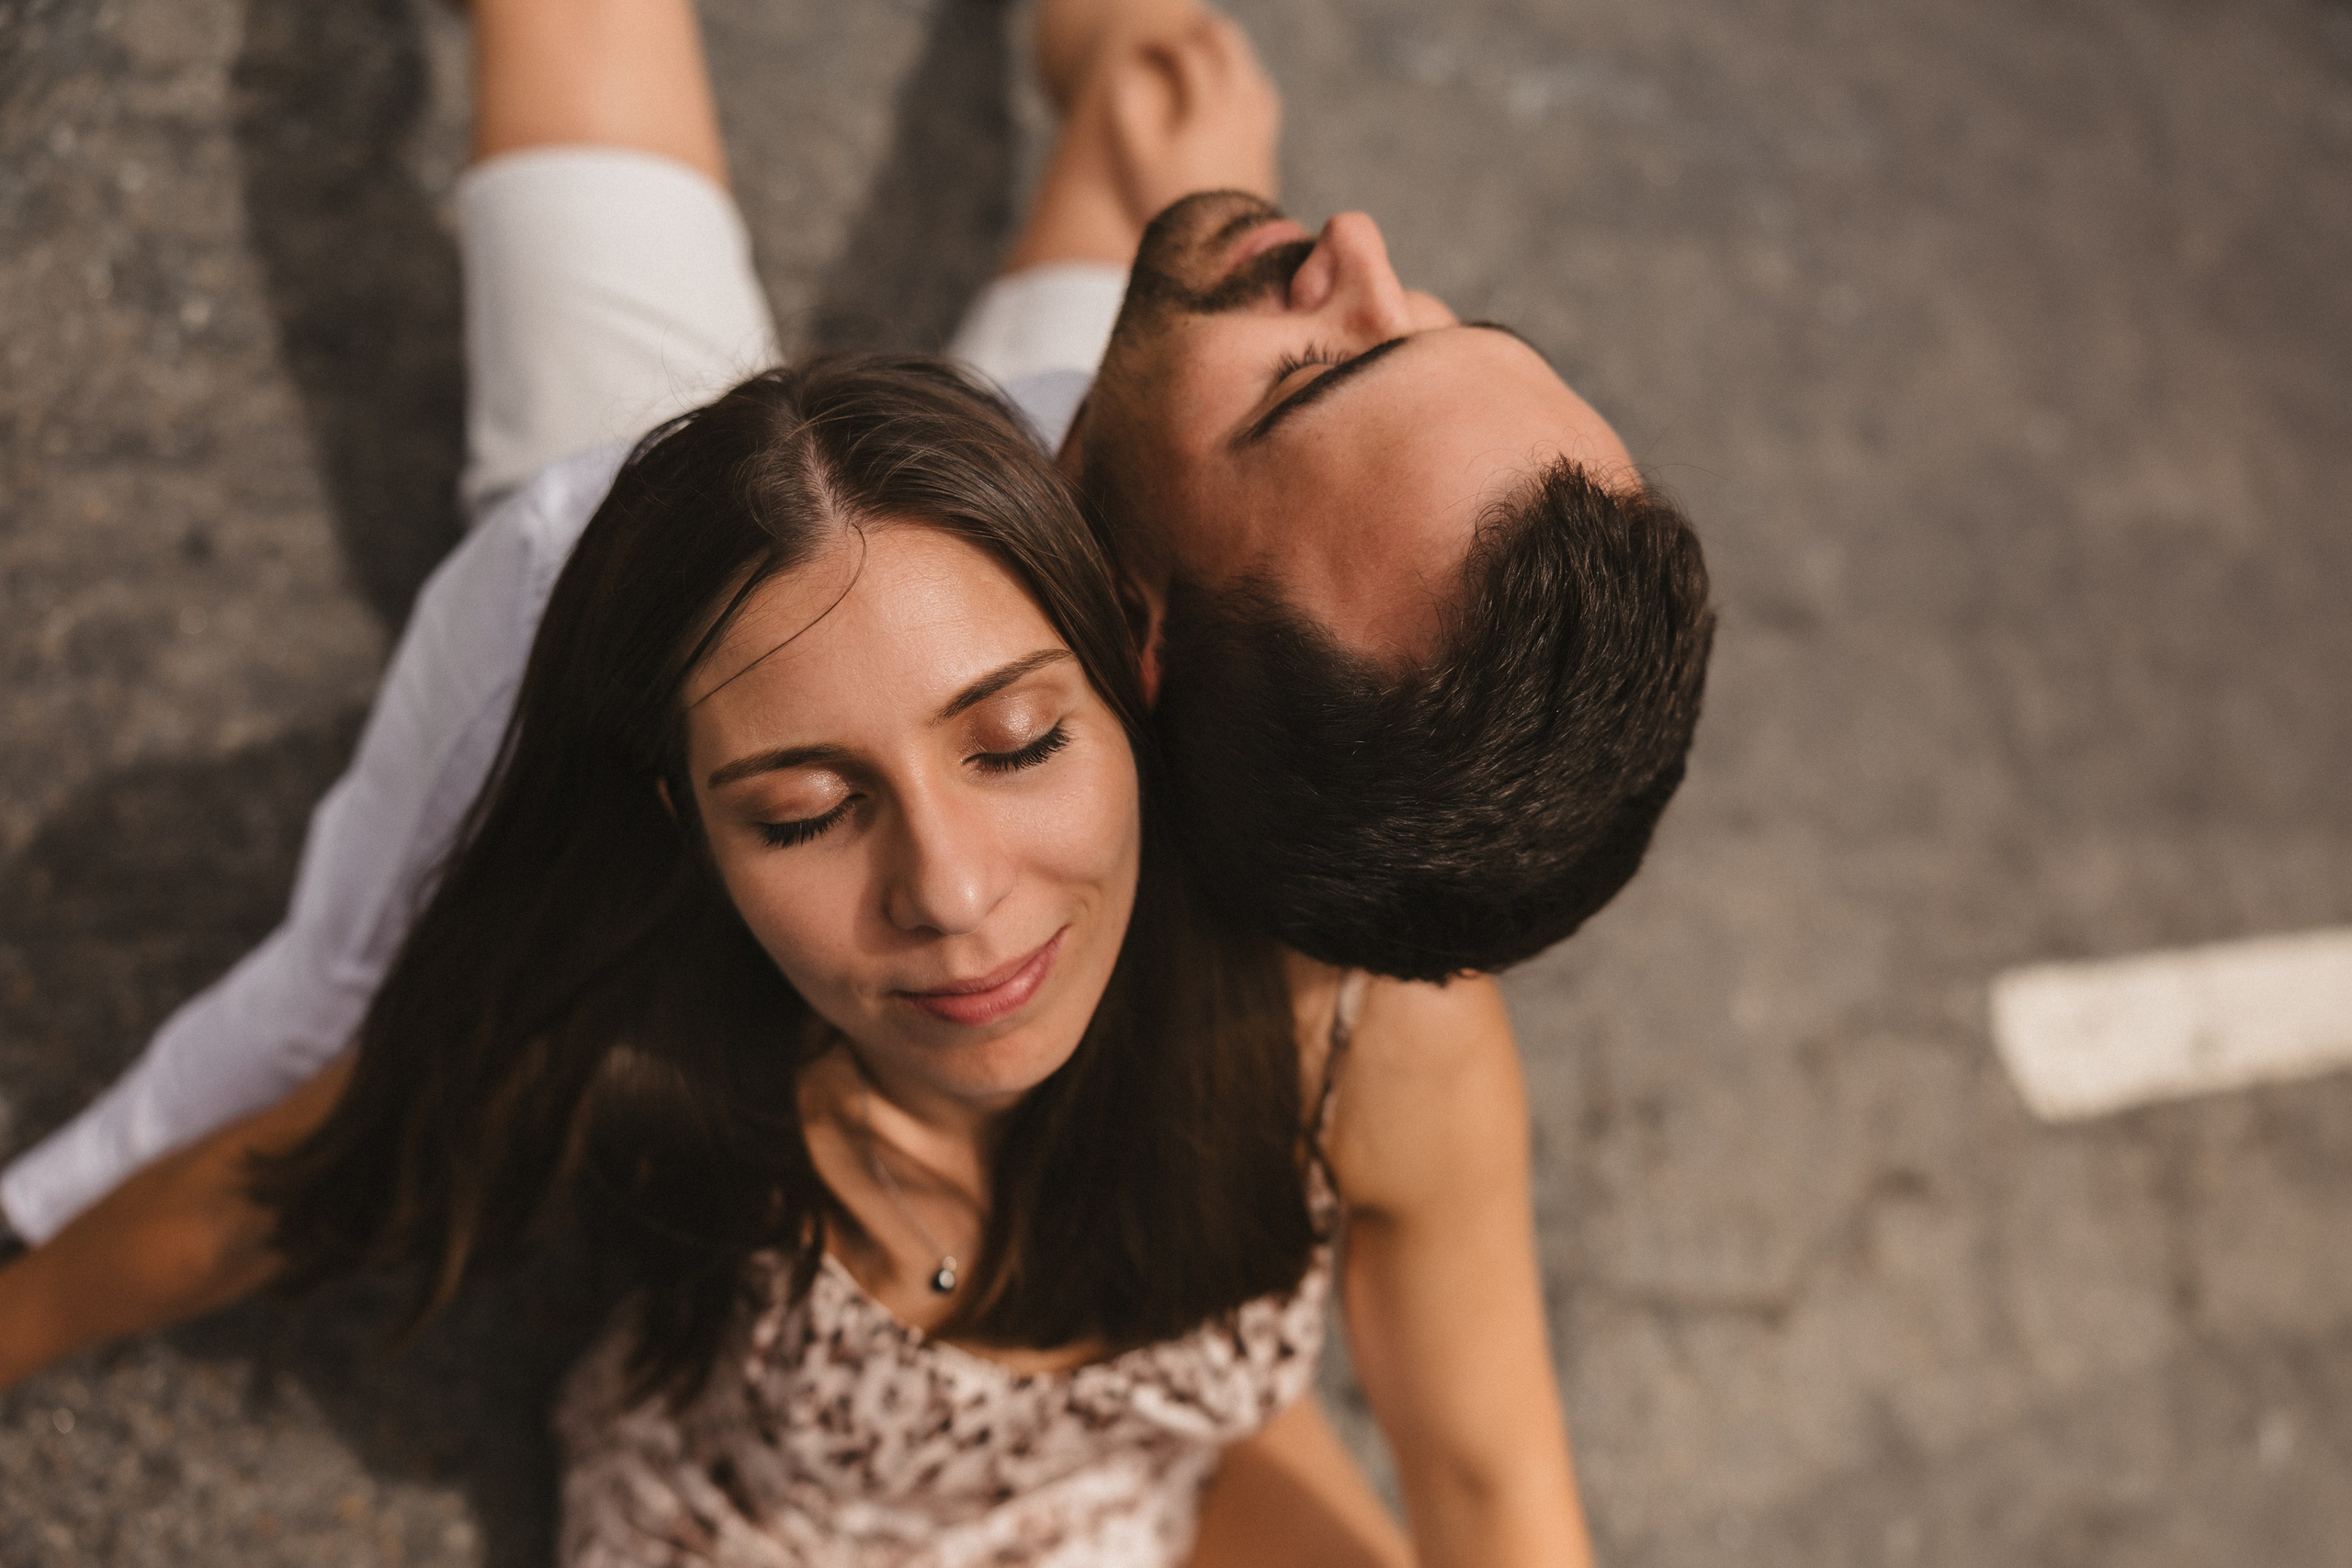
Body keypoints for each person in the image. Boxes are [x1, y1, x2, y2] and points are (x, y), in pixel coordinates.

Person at [1, 355, 1586, 1568]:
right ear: (685, 821)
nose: (953, 895)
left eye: (1022, 744)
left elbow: (1490, 1477)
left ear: (1133, 683)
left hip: (1138, 1506)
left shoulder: (1352, 1030)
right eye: (812, 814)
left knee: (1110, 187)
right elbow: (263, 1194)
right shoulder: (630, 1034)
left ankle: (1111, 114)